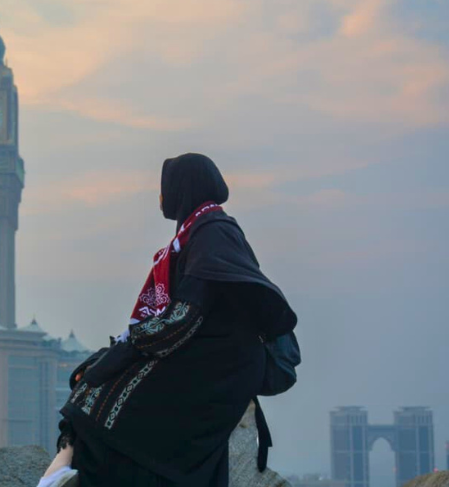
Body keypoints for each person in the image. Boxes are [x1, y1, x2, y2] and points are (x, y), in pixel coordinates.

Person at [36, 152, 298, 487]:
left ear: (184, 188)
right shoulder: (199, 231)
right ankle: (66, 468)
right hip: (205, 349)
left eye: (165, 188)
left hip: (223, 362)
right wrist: (124, 349)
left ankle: (65, 472)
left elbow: (185, 316)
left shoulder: (212, 232)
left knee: (104, 389)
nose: (161, 197)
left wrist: (129, 348)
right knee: (95, 376)